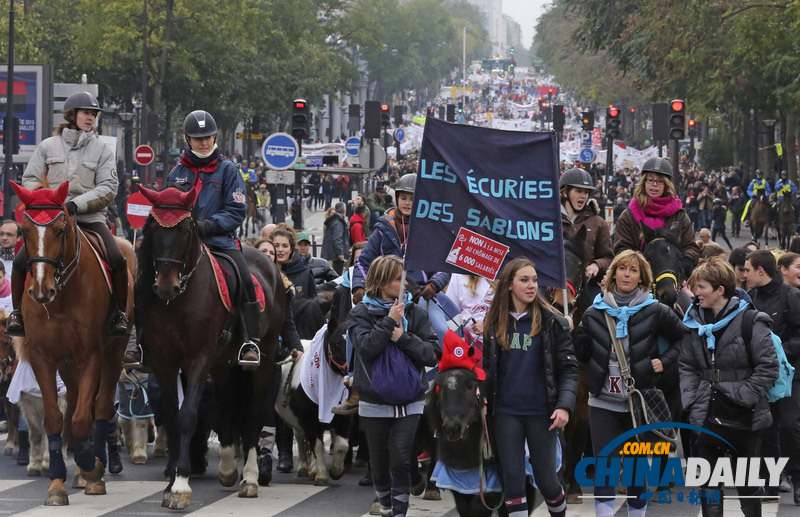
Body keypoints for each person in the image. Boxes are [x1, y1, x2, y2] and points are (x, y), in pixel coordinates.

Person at [573, 250, 686, 517]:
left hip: (639, 404)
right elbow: (580, 355)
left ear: (642, 277)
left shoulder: (656, 310)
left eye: (633, 270)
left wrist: (665, 361)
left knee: (636, 470)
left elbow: (685, 338)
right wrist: (571, 329)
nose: (627, 274)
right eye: (622, 268)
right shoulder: (593, 312)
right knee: (606, 467)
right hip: (602, 402)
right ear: (613, 273)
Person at [7, 91, 128, 338]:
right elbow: (29, 180)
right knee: (20, 261)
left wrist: (76, 205)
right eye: (86, 113)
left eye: (94, 114)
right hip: (50, 220)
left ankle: (118, 314)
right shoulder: (46, 146)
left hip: (89, 218)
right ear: (72, 115)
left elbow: (108, 187)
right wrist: (48, 202)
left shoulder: (102, 150)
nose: (90, 118)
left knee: (118, 258)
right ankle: (17, 314)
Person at [680, 258, 778, 516]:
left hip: (745, 414)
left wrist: (742, 396)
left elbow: (768, 368)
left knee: (747, 484)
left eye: (700, 287)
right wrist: (691, 399)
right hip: (704, 411)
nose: (696, 293)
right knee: (708, 484)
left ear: (720, 290)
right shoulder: (693, 323)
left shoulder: (752, 321)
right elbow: (687, 366)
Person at [164, 110, 260, 367]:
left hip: (219, 242)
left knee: (244, 278)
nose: (203, 142)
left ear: (215, 136)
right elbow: (167, 209)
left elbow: (236, 210)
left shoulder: (229, 170)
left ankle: (251, 341)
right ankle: (142, 342)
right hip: (183, 245)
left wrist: (207, 226)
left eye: (207, 137)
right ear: (188, 139)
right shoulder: (176, 174)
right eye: (197, 138)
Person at [483, 257, 577, 517]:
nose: (532, 285)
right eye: (524, 280)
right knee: (512, 478)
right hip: (505, 412)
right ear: (509, 285)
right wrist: (482, 392)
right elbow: (487, 368)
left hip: (542, 413)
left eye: (534, 280)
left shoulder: (552, 322)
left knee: (546, 479)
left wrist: (564, 407)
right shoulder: (494, 323)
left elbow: (569, 370)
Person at [348, 255, 438, 517]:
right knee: (378, 461)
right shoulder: (360, 313)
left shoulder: (415, 312)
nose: (404, 284)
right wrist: (388, 322)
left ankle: (399, 511)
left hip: (410, 398)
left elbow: (431, 354)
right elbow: (365, 349)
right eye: (398, 279)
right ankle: (386, 504)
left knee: (400, 457)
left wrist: (403, 337)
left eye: (404, 278)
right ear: (381, 281)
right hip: (374, 399)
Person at [351, 174, 454, 348]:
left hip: (420, 295)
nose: (407, 203)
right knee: (351, 328)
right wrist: (359, 286)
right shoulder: (383, 228)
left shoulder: (431, 231)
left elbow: (445, 264)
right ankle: (351, 373)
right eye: (403, 198)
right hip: (382, 295)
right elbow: (363, 261)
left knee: (442, 331)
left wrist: (434, 285)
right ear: (397, 198)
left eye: (412, 199)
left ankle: (442, 373)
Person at [744, 249, 800, 501]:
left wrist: (779, 355)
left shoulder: (791, 296)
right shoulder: (750, 297)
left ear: (760, 270)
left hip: (791, 374)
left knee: (789, 426)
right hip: (762, 375)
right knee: (767, 429)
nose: (742, 275)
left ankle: (797, 479)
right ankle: (770, 483)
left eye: (746, 270)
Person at [613, 157, 699, 281]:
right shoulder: (628, 216)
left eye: (660, 181)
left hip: (671, 278)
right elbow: (620, 248)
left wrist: (688, 258)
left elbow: (691, 246)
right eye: (650, 180)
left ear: (667, 184)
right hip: (636, 279)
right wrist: (642, 262)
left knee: (689, 300)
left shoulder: (679, 215)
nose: (654, 184)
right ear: (644, 182)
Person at [559, 167, 614, 309]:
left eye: (586, 192)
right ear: (564, 193)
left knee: (601, 312)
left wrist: (597, 265)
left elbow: (609, 257)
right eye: (578, 191)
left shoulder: (598, 222)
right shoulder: (549, 220)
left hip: (586, 285)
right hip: (554, 282)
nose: (583, 196)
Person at [271, 227, 316, 300]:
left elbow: (313, 303)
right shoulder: (264, 272)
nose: (280, 250)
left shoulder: (306, 273)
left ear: (291, 249)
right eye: (276, 246)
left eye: (285, 246)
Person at [321, 203, 348, 275]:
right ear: (344, 211)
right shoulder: (338, 222)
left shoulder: (333, 220)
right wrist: (340, 253)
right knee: (336, 275)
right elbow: (337, 238)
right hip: (335, 255)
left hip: (332, 253)